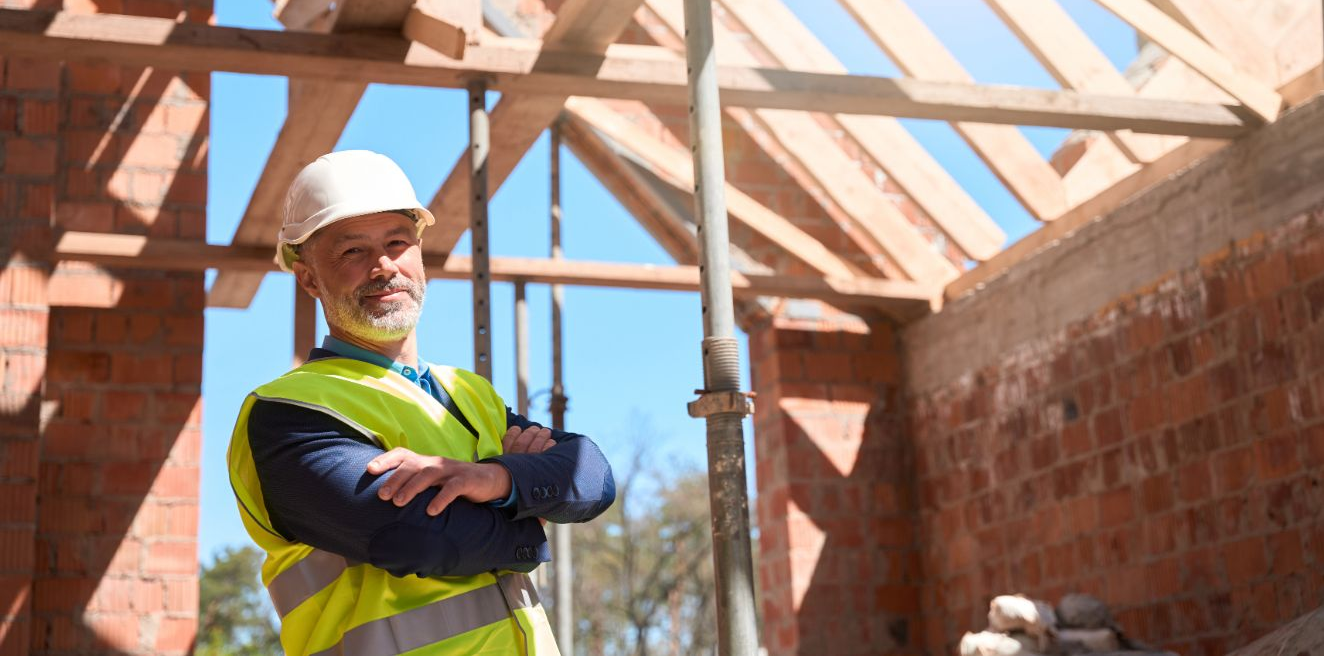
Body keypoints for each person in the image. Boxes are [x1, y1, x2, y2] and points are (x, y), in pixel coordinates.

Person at [226, 150, 615, 655]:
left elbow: (592, 475)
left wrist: (496, 479)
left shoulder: (469, 393)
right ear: (308, 277)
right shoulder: (287, 413)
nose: (383, 266)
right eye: (352, 252)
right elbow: (418, 538)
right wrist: (532, 512)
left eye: (397, 242)